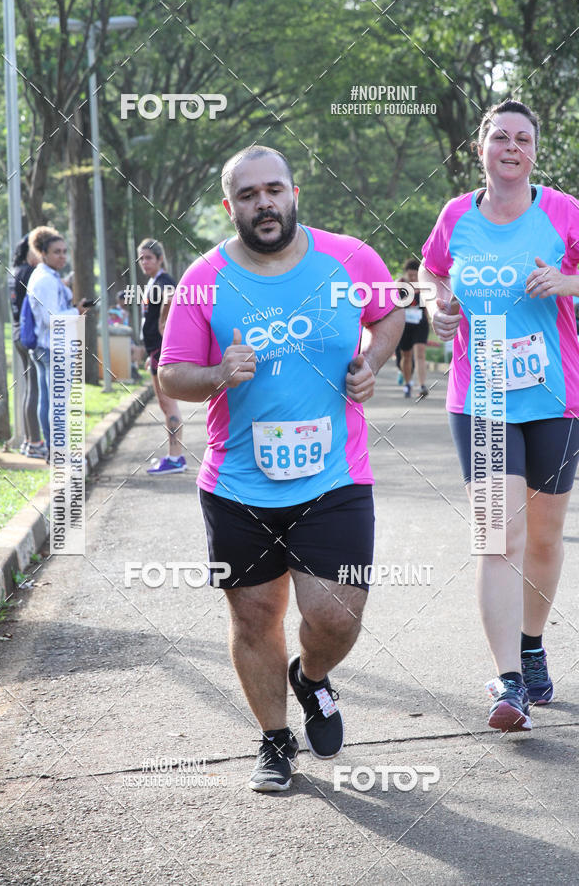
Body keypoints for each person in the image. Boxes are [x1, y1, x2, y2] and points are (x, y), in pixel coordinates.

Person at [158, 146, 404, 791]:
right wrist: (215, 375)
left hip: (334, 478)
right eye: (248, 195)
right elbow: (170, 372)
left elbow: (389, 316)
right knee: (253, 617)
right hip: (238, 482)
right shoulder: (203, 278)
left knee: (335, 616)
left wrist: (371, 363)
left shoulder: (352, 258)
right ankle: (274, 741)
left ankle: (312, 678)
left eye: (274, 190)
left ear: (295, 193)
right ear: (230, 207)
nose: (263, 203)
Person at [419, 100, 579, 733]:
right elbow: (433, 273)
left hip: (554, 396)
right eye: (500, 137)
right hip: (481, 397)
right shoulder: (456, 214)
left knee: (542, 537)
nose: (512, 146)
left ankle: (533, 644)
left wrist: (566, 284)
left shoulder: (564, 211)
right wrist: (438, 306)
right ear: (480, 148)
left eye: (523, 139)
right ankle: (508, 681)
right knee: (497, 537)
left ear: (534, 151)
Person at [27, 227, 90, 457]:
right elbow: (51, 318)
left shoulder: (49, 276)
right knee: (59, 404)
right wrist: (76, 311)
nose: (62, 256)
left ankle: (54, 448)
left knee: (49, 401)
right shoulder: (45, 280)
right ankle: (60, 451)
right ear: (43, 253)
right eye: (56, 252)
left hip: (50, 347)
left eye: (64, 251)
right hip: (54, 348)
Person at [138, 238, 187, 474]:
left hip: (161, 348)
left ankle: (176, 457)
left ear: (159, 259)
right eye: (141, 258)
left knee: (168, 404)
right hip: (154, 350)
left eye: (148, 257)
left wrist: (162, 324)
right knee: (164, 403)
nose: (144, 262)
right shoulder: (152, 282)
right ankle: (174, 455)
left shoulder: (164, 281)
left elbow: (172, 299)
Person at [8, 235, 45, 457]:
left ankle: (28, 441)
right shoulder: (30, 273)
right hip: (29, 335)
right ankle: (35, 442)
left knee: (29, 389)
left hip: (16, 333)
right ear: (29, 252)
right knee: (35, 390)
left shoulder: (13, 272)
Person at [395, 258, 429, 398]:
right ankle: (408, 383)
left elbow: (428, 305)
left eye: (415, 275)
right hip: (405, 324)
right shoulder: (399, 284)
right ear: (406, 274)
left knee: (420, 354)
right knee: (406, 356)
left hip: (420, 323)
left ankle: (422, 386)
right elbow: (392, 303)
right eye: (410, 275)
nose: (413, 278)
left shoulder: (425, 284)